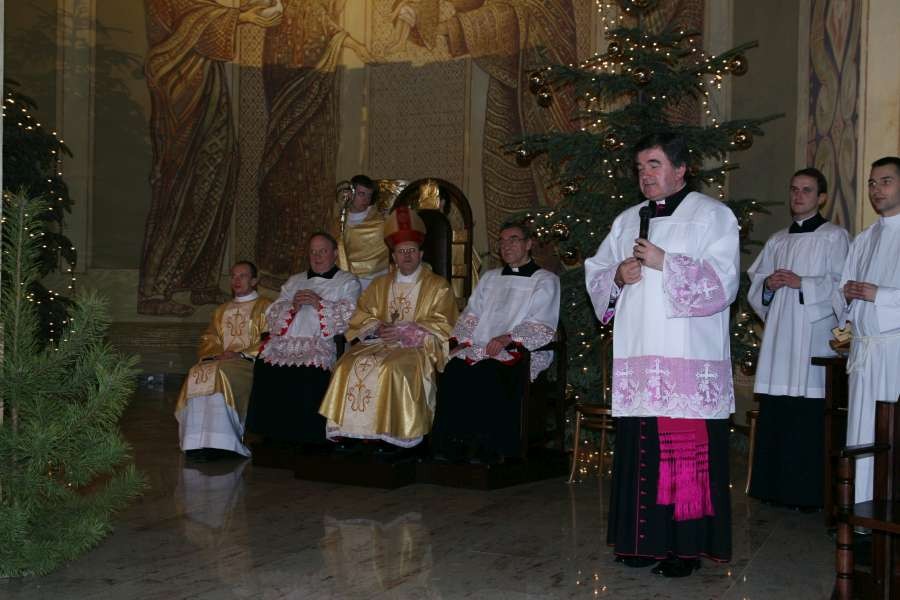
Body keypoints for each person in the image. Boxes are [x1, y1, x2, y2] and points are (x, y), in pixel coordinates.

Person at [584, 133, 739, 577]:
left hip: (685, 359)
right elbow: (596, 272)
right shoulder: (627, 220)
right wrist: (617, 274)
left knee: (681, 455)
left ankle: (682, 550)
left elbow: (723, 284)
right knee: (640, 450)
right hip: (638, 356)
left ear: (680, 168)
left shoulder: (712, 216)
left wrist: (664, 262)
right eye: (640, 168)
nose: (645, 175)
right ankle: (640, 542)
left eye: (654, 165)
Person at [139, 0, 282, 316]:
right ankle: (154, 291)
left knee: (219, 176)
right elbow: (184, 19)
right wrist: (241, 17)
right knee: (182, 189)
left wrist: (246, 12)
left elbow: (203, 10)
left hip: (207, 80)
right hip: (182, 85)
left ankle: (201, 279)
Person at [746, 168, 849, 509]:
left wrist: (802, 283)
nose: (798, 196)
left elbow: (842, 287)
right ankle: (772, 490)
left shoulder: (834, 237)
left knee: (808, 418)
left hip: (813, 338)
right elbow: (756, 286)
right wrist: (768, 285)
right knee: (778, 412)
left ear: (822, 197)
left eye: (806, 190)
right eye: (794, 189)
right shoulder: (777, 240)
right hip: (780, 340)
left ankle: (807, 494)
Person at [319, 207, 458, 451]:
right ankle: (351, 432)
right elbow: (362, 314)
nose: (406, 256)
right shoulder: (379, 284)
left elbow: (444, 323)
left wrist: (407, 331)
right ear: (393, 257)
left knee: (391, 368)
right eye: (401, 252)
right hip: (379, 342)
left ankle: (392, 434)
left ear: (420, 254)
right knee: (346, 365)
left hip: (416, 348)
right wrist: (377, 326)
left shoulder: (438, 286)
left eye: (411, 251)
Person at [430, 222, 560, 463]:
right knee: (455, 369)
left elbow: (542, 321)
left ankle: (490, 446)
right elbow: (472, 313)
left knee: (490, 373)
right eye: (502, 241)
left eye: (513, 239)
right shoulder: (490, 278)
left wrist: (509, 338)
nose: (506, 245)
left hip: (521, 348)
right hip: (482, 344)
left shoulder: (544, 280)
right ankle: (453, 444)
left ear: (528, 244)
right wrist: (461, 340)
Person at [245, 233, 361, 448]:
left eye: (322, 251)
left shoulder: (347, 281)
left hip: (322, 342)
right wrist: (293, 306)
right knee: (265, 364)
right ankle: (272, 434)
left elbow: (350, 314)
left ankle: (309, 438)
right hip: (288, 341)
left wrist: (320, 303)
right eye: (313, 252)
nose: (317, 256)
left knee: (309, 370)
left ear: (335, 253)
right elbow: (273, 312)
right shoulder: (294, 281)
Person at [833, 155, 900, 504]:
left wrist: (880, 295)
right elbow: (841, 291)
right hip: (864, 351)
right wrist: (846, 294)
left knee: (889, 432)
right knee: (861, 430)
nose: (876, 189)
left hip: (893, 351)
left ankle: (888, 511)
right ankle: (860, 510)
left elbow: (878, 294)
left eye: (886, 181)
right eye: (872, 183)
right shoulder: (864, 238)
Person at [174, 261, 272, 459]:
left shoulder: (266, 306)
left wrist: (241, 354)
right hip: (221, 360)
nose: (236, 280)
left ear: (254, 281)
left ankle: (224, 443)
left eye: (242, 276)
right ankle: (195, 442)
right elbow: (209, 338)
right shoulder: (221, 310)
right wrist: (217, 353)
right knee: (197, 372)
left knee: (220, 373)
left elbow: (270, 339)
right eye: (233, 276)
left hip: (249, 364)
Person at [332, 175, 391, 290]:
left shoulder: (380, 222)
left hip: (374, 278)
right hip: (344, 278)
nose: (366, 200)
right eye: (361, 194)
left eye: (369, 195)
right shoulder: (337, 222)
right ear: (350, 193)